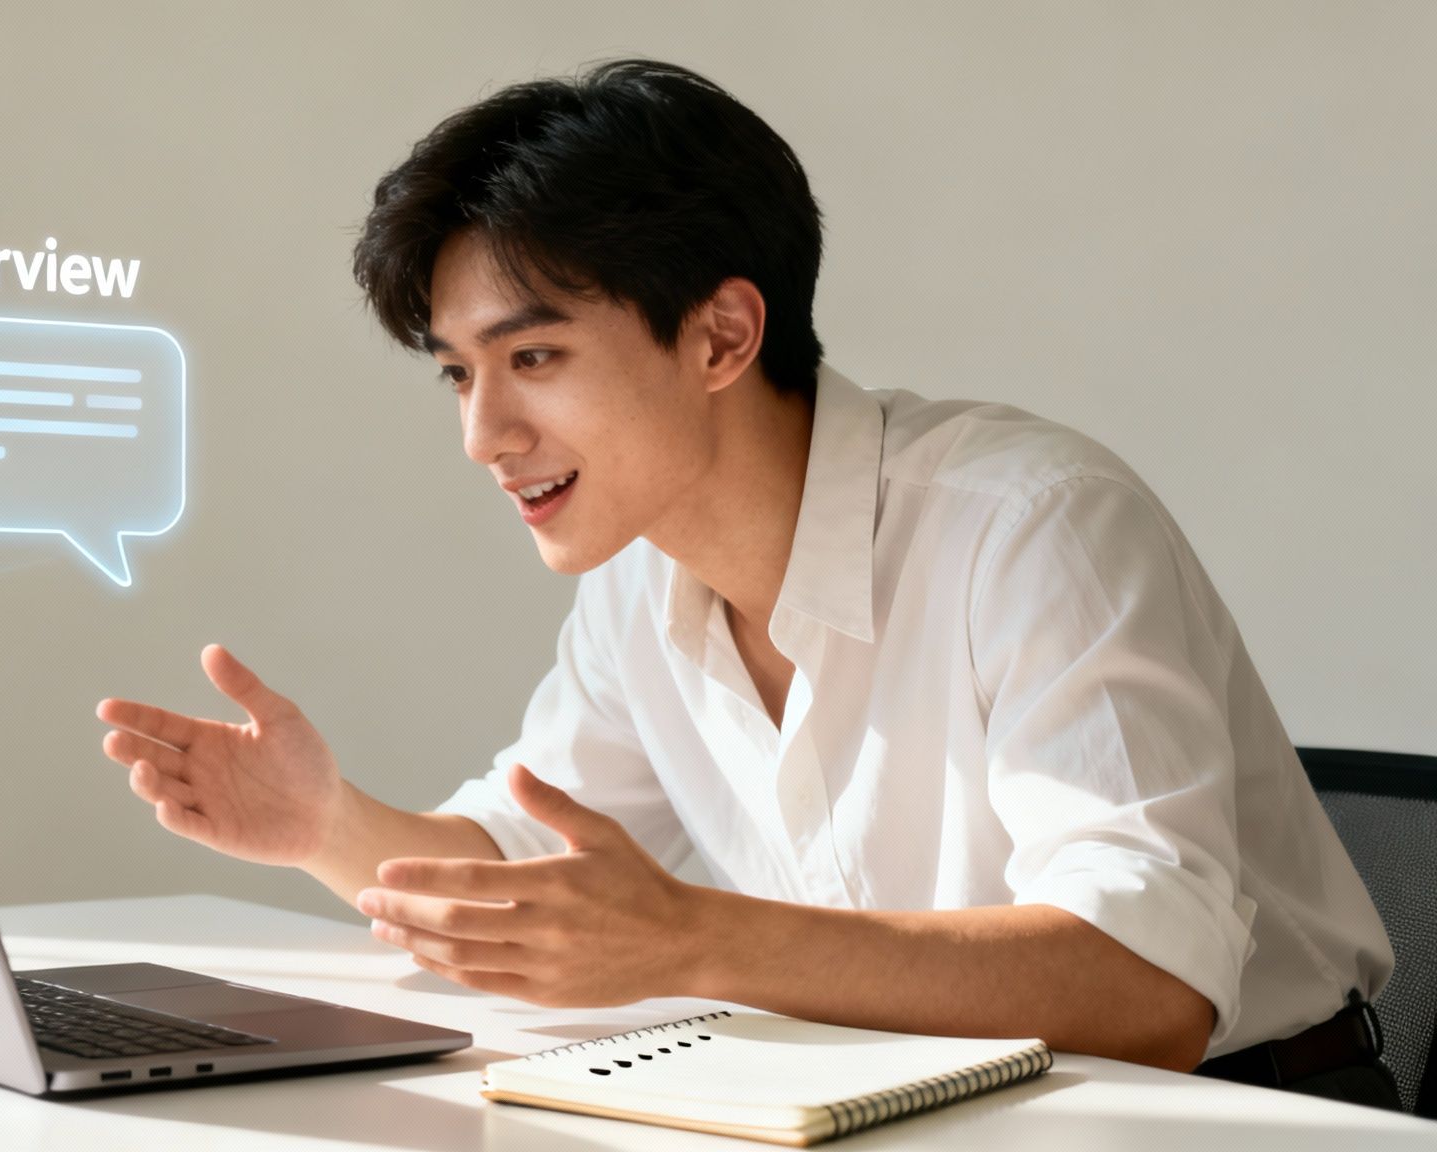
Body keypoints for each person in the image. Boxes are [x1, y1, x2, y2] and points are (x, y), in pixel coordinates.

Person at [95, 59, 1398, 1107]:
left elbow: (1151, 985)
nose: (482, 436)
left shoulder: (1031, 524)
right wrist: (322, 822)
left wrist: (690, 940)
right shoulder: (636, 582)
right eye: (455, 373)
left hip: (1236, 1120)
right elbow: (526, 886)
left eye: (533, 357)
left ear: (722, 333)